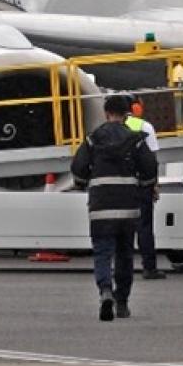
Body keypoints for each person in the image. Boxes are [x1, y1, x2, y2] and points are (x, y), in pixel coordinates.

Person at [71, 95, 158, 321]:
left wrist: (82, 183)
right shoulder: (135, 139)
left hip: (101, 205)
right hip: (128, 204)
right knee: (125, 254)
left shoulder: (93, 139)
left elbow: (78, 167)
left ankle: (105, 290)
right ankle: (122, 302)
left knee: (102, 251)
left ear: (106, 113)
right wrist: (146, 186)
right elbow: (149, 167)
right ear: (126, 114)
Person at [125, 97, 165, 281]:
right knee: (144, 226)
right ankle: (149, 268)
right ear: (135, 108)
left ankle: (121, 266)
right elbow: (151, 160)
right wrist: (154, 184)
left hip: (119, 186)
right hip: (141, 184)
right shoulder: (144, 127)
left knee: (121, 228)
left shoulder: (107, 129)